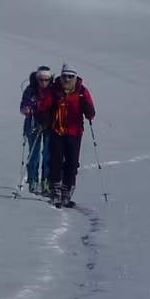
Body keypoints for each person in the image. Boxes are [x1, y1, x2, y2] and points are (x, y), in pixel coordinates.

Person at [37, 64, 96, 207]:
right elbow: (45, 105)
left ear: (75, 77)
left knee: (72, 163)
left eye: (70, 76)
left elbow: (91, 114)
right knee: (56, 161)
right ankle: (55, 191)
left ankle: (66, 192)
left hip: (75, 132)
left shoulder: (82, 91)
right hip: (57, 130)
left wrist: (87, 109)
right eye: (65, 76)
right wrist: (44, 116)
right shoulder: (55, 89)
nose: (67, 79)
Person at [20, 67, 55, 194]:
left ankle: (46, 181)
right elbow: (23, 106)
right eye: (41, 79)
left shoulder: (53, 90)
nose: (43, 82)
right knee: (34, 154)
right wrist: (26, 110)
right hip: (33, 124)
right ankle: (33, 180)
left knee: (47, 154)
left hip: (49, 126)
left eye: (46, 80)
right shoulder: (31, 90)